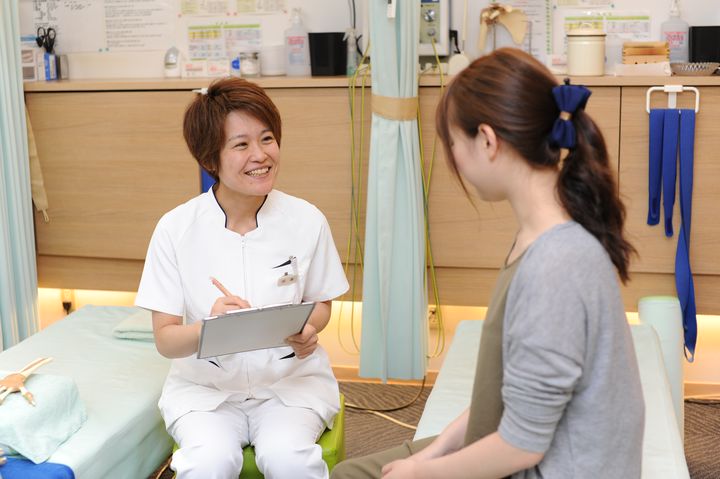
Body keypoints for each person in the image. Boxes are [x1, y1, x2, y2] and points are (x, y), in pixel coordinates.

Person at [331, 48, 645, 479]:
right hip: (522, 443)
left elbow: (521, 446)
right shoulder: (541, 237)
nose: (454, 160)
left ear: (487, 140)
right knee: (354, 472)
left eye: (453, 144)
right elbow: (508, 397)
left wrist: (420, 474)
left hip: (546, 465)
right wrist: (428, 456)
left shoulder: (556, 265)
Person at [135, 77, 349, 479]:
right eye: (241, 144)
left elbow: (321, 304)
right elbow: (166, 339)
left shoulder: (306, 220)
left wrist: (309, 329)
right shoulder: (175, 229)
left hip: (290, 385)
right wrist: (211, 328)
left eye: (267, 139)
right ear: (210, 159)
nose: (260, 155)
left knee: (287, 459)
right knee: (209, 463)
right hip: (205, 393)